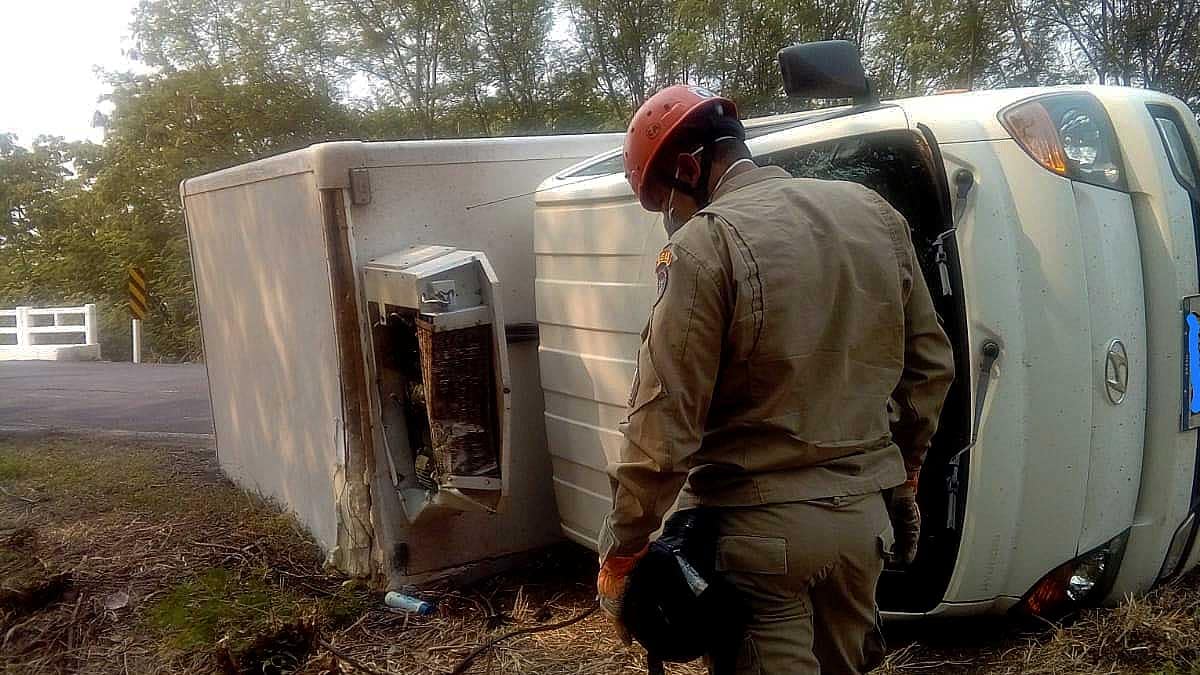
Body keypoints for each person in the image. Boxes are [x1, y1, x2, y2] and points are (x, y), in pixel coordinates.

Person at [595, 85, 956, 674]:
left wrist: (622, 552)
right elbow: (930, 368)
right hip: (862, 527)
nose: (671, 220)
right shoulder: (873, 215)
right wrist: (906, 475)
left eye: (666, 203)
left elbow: (662, 428)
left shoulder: (704, 246)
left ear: (688, 168)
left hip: (760, 546)